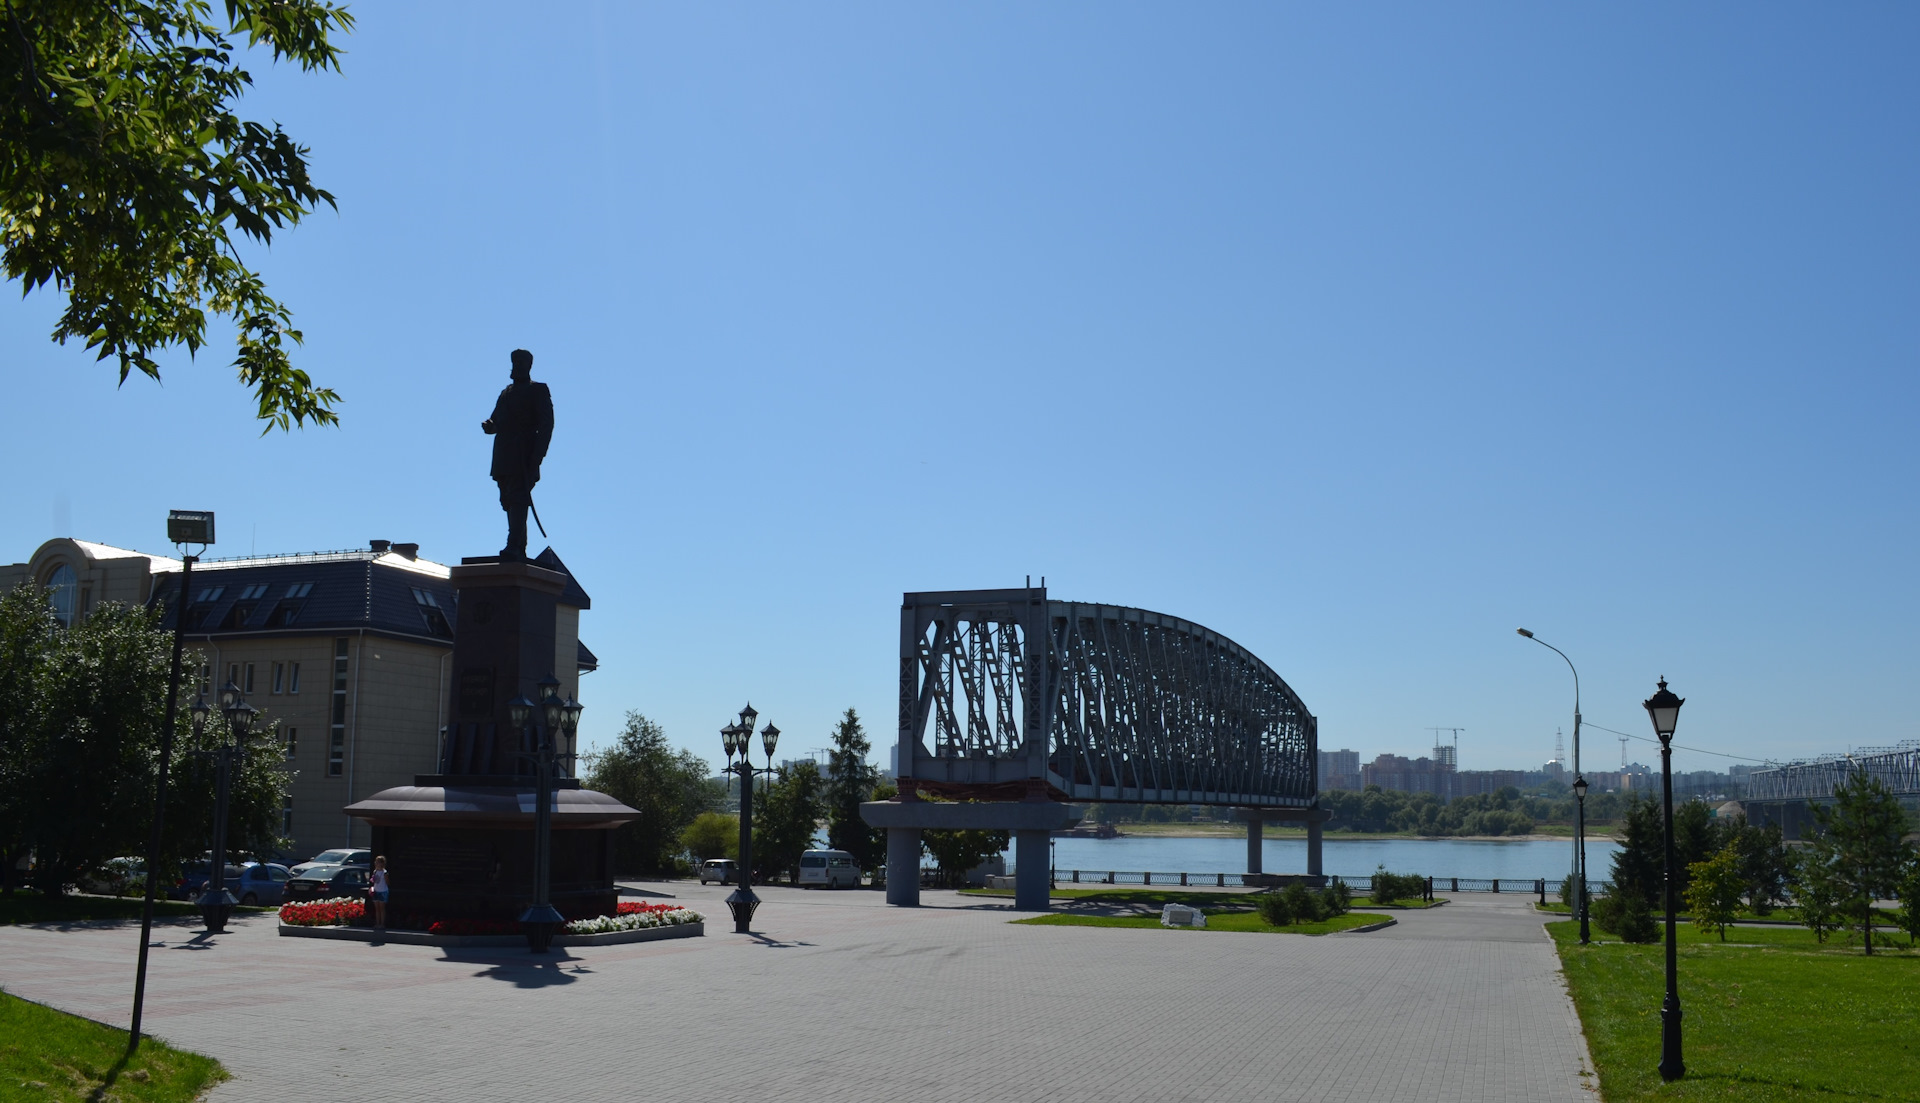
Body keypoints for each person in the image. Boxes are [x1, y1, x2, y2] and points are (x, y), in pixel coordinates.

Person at [480, 348, 554, 560]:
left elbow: (547, 425)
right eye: (515, 362)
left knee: (518, 497)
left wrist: (537, 455)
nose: (517, 366)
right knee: (507, 499)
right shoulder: (506, 393)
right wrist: (490, 426)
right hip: (504, 452)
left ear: (528, 366)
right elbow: (496, 420)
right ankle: (519, 544)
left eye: (521, 363)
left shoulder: (538, 390)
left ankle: (514, 544)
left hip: (524, 452)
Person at [369, 856, 390, 930]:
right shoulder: (375, 871)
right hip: (376, 890)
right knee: (377, 908)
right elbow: (373, 880)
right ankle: (377, 923)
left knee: (382, 908)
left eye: (378, 862)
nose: (376, 863)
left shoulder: (385, 872)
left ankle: (382, 924)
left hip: (383, 891)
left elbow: (387, 882)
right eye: (376, 861)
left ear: (381, 863)